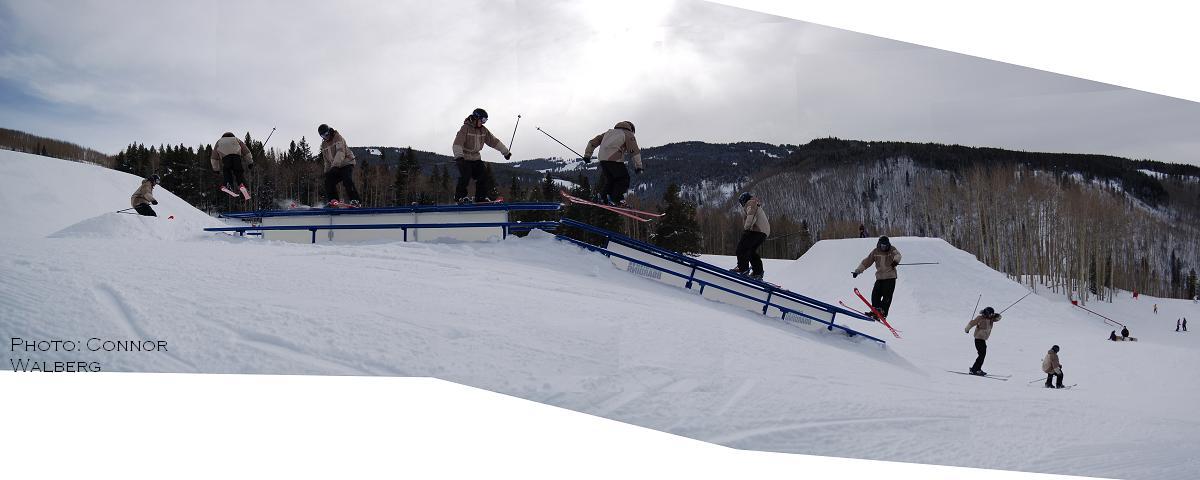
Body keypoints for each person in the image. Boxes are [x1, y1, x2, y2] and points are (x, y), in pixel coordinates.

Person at [452, 108, 510, 204]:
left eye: (485, 121)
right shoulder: (465, 128)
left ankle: (480, 197)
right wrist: (459, 157)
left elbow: (494, 141)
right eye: (483, 120)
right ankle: (460, 197)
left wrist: (506, 152)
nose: (483, 123)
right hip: (464, 158)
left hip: (476, 158)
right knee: (465, 176)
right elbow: (457, 143)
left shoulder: (483, 130)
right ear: (476, 118)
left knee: (483, 175)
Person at [581, 121, 642, 206]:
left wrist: (587, 155)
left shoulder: (608, 133)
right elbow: (634, 151)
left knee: (611, 180)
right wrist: (638, 166)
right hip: (614, 158)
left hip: (602, 159)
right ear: (631, 129)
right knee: (624, 179)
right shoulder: (628, 134)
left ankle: (603, 197)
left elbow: (592, 142)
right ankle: (617, 199)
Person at [852, 236, 902, 318]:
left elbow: (898, 255)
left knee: (887, 296)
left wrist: (895, 261)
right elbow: (866, 262)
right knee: (875, 294)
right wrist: (858, 271)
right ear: (879, 244)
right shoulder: (875, 251)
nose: (884, 247)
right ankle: (875, 310)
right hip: (880, 277)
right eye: (882, 245)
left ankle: (883, 312)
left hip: (890, 277)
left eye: (886, 246)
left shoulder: (892, 249)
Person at [317, 124, 360, 207]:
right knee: (328, 181)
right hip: (335, 166)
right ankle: (333, 201)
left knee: (347, 179)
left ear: (330, 131)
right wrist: (326, 172)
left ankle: (355, 200)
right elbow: (326, 161)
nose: (326, 137)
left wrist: (335, 166)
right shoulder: (324, 145)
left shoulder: (338, 137)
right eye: (323, 136)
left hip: (346, 163)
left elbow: (340, 152)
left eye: (326, 134)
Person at [730, 192, 770, 280]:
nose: (741, 205)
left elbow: (751, 216)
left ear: (744, 200)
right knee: (751, 251)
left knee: (741, 248)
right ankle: (758, 272)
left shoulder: (751, 203)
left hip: (756, 230)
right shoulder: (755, 203)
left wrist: (747, 229)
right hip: (763, 232)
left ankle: (742, 268)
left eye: (741, 202)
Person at [210, 132, 254, 198]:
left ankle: (228, 184)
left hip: (225, 158)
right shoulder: (236, 139)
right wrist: (250, 162)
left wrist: (216, 169)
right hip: (236, 157)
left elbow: (214, 157)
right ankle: (242, 184)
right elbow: (246, 151)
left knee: (227, 171)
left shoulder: (219, 141)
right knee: (238, 171)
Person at [964, 307, 1001, 375]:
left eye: (992, 314)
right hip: (978, 339)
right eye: (990, 314)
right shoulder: (980, 318)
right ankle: (974, 369)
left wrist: (997, 315)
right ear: (987, 313)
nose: (991, 315)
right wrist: (967, 329)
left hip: (983, 339)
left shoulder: (991, 319)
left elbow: (998, 318)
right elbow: (972, 323)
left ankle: (977, 369)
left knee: (982, 354)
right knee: (982, 354)